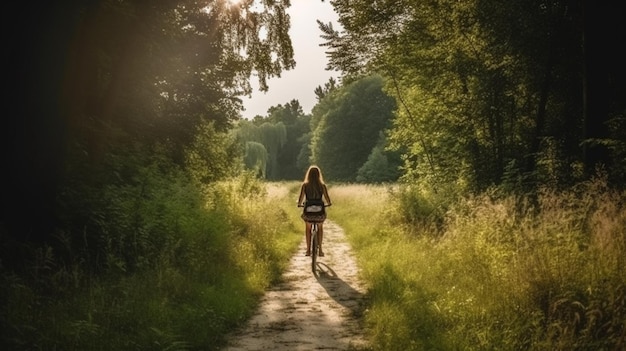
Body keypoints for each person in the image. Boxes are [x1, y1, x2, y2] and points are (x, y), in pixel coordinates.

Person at [297, 165, 332, 257]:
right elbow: (327, 198)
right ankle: (320, 250)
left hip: (308, 213)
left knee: (308, 228)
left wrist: (299, 204)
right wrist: (329, 203)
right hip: (319, 212)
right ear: (318, 175)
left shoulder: (305, 185)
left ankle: (308, 250)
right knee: (320, 227)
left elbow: (301, 198)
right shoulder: (322, 186)